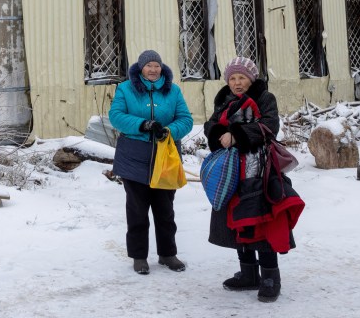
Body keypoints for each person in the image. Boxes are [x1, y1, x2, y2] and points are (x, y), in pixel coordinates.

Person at [203, 56, 304, 302]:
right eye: (233, 78)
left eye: (242, 78)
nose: (237, 83)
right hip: (231, 173)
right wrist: (218, 134)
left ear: (251, 79)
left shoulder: (264, 98)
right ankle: (248, 273)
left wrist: (237, 135)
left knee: (261, 221)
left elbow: (270, 125)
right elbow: (211, 125)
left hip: (259, 171)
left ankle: (270, 277)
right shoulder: (224, 99)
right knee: (237, 221)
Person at [109, 49, 194, 275]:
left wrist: (168, 130)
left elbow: (186, 119)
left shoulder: (173, 91)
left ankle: (167, 254)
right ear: (141, 68)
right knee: (137, 209)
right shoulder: (125, 89)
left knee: (165, 209)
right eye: (149, 66)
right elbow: (115, 116)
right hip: (134, 156)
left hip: (165, 156)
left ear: (161, 68)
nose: (153, 70)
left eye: (157, 66)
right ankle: (139, 256)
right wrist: (143, 125)